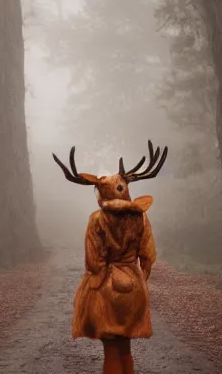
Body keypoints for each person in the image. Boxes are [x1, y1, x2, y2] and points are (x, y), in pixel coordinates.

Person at [52, 140, 168, 374]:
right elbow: (148, 256)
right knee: (125, 349)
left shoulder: (97, 219)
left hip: (106, 290)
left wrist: (99, 282)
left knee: (111, 351)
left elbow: (93, 263)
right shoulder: (141, 217)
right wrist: (139, 280)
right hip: (133, 287)